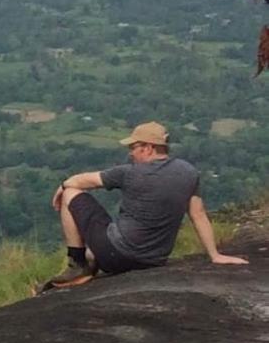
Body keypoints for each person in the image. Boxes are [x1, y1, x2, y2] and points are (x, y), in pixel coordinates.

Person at [44, 120, 248, 290]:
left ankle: (77, 264)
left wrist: (62, 187)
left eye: (134, 147)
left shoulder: (129, 172)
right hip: (153, 260)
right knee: (98, 245)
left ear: (148, 148)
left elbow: (78, 182)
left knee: (71, 194)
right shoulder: (189, 173)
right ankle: (88, 261)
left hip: (116, 255)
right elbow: (198, 215)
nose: (131, 153)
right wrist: (215, 255)